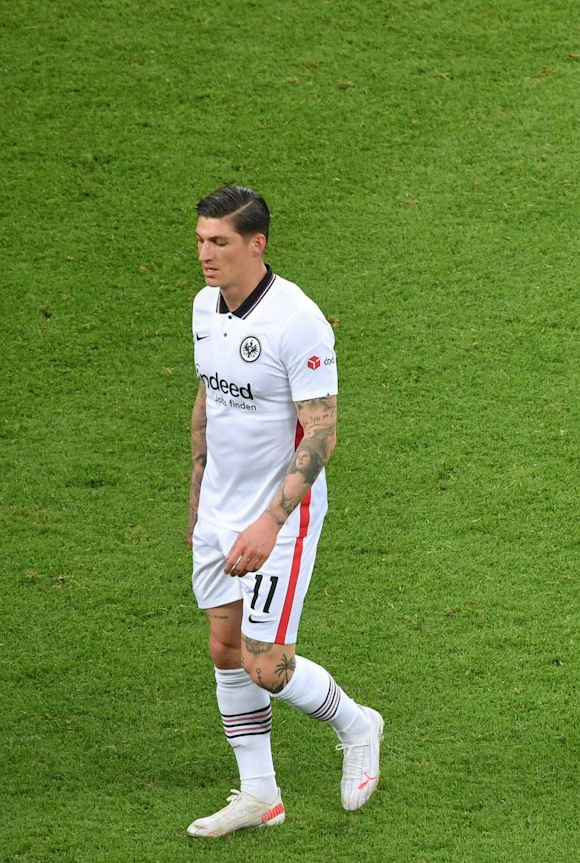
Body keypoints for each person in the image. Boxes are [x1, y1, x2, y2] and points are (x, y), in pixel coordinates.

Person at [185, 186, 383, 836]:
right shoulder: (203, 309)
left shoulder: (298, 321)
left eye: (221, 242)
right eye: (201, 240)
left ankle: (358, 726)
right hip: (218, 510)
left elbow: (321, 431)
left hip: (281, 517)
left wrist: (270, 521)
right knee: (224, 648)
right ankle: (259, 794)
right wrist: (196, 495)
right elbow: (209, 398)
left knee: (266, 662)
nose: (206, 254)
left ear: (257, 243)